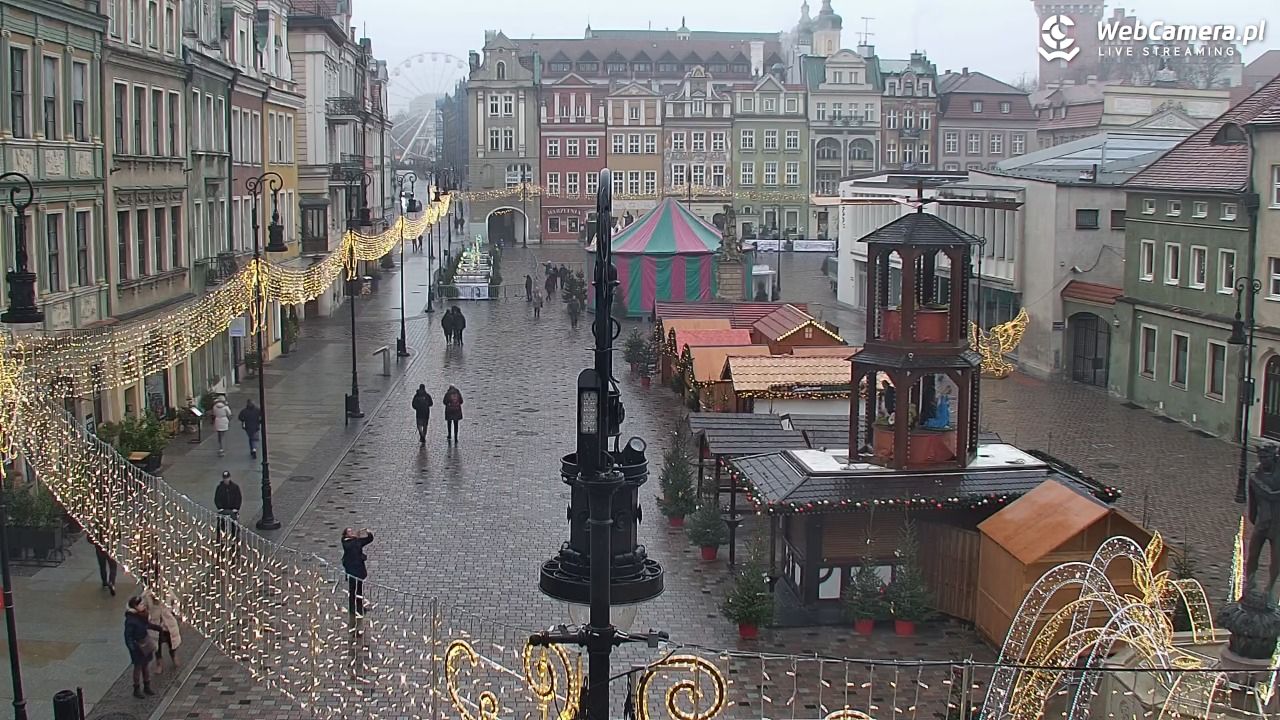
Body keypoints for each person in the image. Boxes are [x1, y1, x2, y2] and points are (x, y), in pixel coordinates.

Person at [124, 596, 162, 698]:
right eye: (141, 604)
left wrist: (158, 628)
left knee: (146, 666)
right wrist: (133, 648)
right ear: (135, 607)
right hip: (137, 647)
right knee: (138, 667)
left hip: (145, 645)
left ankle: (147, 686)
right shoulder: (131, 620)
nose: (143, 606)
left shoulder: (142, 615)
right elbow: (128, 636)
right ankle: (136, 689)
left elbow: (146, 625)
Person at [145, 590, 182, 673]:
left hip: (168, 623)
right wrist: (148, 617)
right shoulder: (147, 595)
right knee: (157, 646)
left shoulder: (168, 591)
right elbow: (144, 607)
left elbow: (176, 601)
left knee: (172, 642)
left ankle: (174, 656)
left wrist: (174, 611)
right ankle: (159, 664)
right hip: (155, 624)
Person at [341, 528, 375, 617]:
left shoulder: (356, 540)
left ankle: (360, 607)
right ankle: (352, 608)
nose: (352, 532)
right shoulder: (346, 542)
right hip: (351, 569)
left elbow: (368, 540)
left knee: (359, 589)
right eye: (349, 531)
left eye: (352, 531)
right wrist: (357, 537)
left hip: (359, 568)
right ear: (345, 534)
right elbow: (351, 547)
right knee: (352, 589)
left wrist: (369, 533)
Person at [214, 470, 242, 545]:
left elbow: (238, 498)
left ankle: (234, 537)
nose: (226, 480)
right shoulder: (220, 488)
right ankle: (221, 538)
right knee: (221, 524)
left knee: (234, 524)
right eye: (225, 478)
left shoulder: (235, 487)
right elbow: (217, 498)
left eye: (227, 478)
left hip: (232, 509)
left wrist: (236, 508)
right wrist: (220, 508)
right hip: (223, 509)